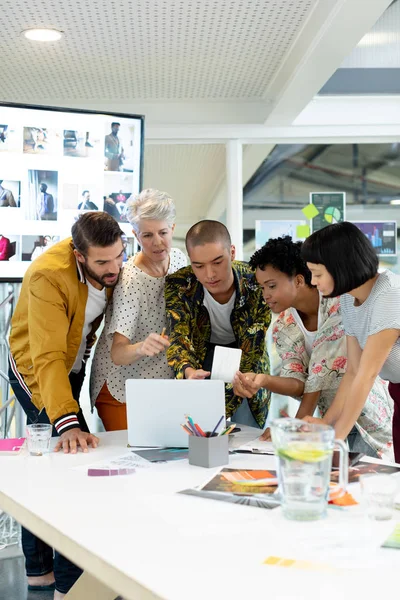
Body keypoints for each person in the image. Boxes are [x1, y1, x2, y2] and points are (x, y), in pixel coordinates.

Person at [8, 212, 125, 599]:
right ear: (78, 255)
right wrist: (67, 422)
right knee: (72, 462)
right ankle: (67, 582)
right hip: (35, 367)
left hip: (71, 363)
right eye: (102, 263)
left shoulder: (112, 264)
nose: (113, 269)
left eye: (118, 257)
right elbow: (46, 358)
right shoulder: (47, 275)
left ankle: (39, 572)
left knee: (48, 462)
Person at [233, 236, 393, 458]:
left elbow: (324, 373)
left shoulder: (339, 302)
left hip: (365, 415)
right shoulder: (283, 325)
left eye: (271, 285)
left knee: (364, 481)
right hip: (327, 420)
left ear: (299, 280)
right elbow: (299, 383)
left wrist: (294, 430)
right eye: (262, 287)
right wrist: (264, 380)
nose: (265, 295)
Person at [300, 221, 400, 462]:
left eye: (318, 274)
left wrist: (334, 441)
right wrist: (326, 425)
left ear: (340, 267)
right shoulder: (348, 299)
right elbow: (353, 372)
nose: (313, 282)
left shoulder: (388, 295)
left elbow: (366, 377)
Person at [90, 189, 187, 430]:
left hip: (158, 381)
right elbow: (118, 353)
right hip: (120, 387)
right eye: (147, 235)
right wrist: (143, 346)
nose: (157, 242)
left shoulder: (179, 260)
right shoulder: (131, 281)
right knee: (135, 461)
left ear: (172, 229)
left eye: (163, 232)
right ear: (135, 235)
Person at [165, 220, 271, 428]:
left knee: (247, 434)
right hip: (201, 359)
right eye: (199, 266)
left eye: (217, 262)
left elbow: (253, 350)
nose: (210, 274)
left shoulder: (255, 282)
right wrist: (187, 371)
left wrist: (223, 407)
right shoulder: (180, 284)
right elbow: (179, 336)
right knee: (198, 434)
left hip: (246, 360)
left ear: (232, 253)